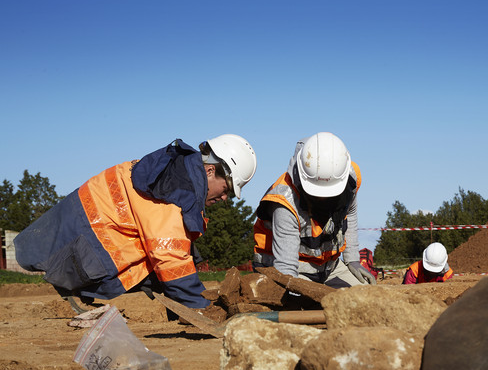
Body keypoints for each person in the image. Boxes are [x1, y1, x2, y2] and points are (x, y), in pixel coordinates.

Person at [14, 135, 257, 309]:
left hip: (87, 229)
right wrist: (201, 305)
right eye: (227, 189)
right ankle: (77, 289)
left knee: (183, 251)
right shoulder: (173, 191)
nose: (225, 198)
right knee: (171, 257)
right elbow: (170, 258)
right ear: (210, 171)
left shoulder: (174, 173)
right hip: (88, 240)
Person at [252, 132, 376, 288]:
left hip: (328, 268)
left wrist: (352, 260)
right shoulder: (284, 202)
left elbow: (349, 214)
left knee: (366, 297)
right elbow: (286, 271)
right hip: (288, 270)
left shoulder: (348, 179)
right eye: (318, 194)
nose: (324, 198)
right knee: (315, 307)